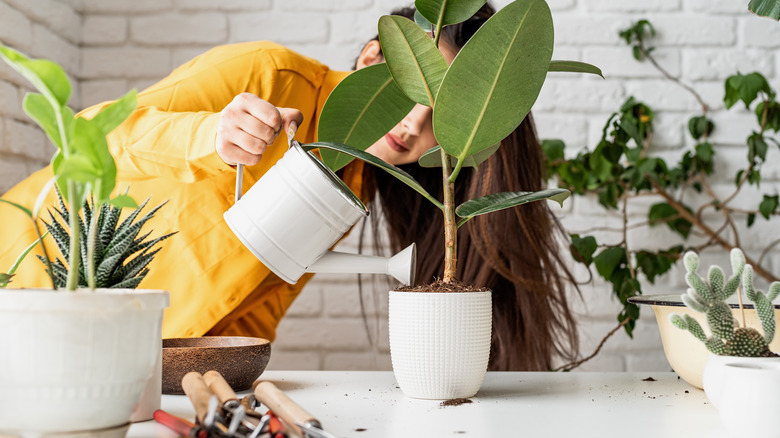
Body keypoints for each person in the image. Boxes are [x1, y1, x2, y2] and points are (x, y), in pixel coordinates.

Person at [0, 3, 579, 371]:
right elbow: (86, 137)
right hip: (23, 275)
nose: (414, 128)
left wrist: (229, 376)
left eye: (440, 122)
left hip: (104, 352)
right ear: (375, 57)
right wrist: (210, 135)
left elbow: (256, 296)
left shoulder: (356, 180)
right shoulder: (269, 75)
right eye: (414, 96)